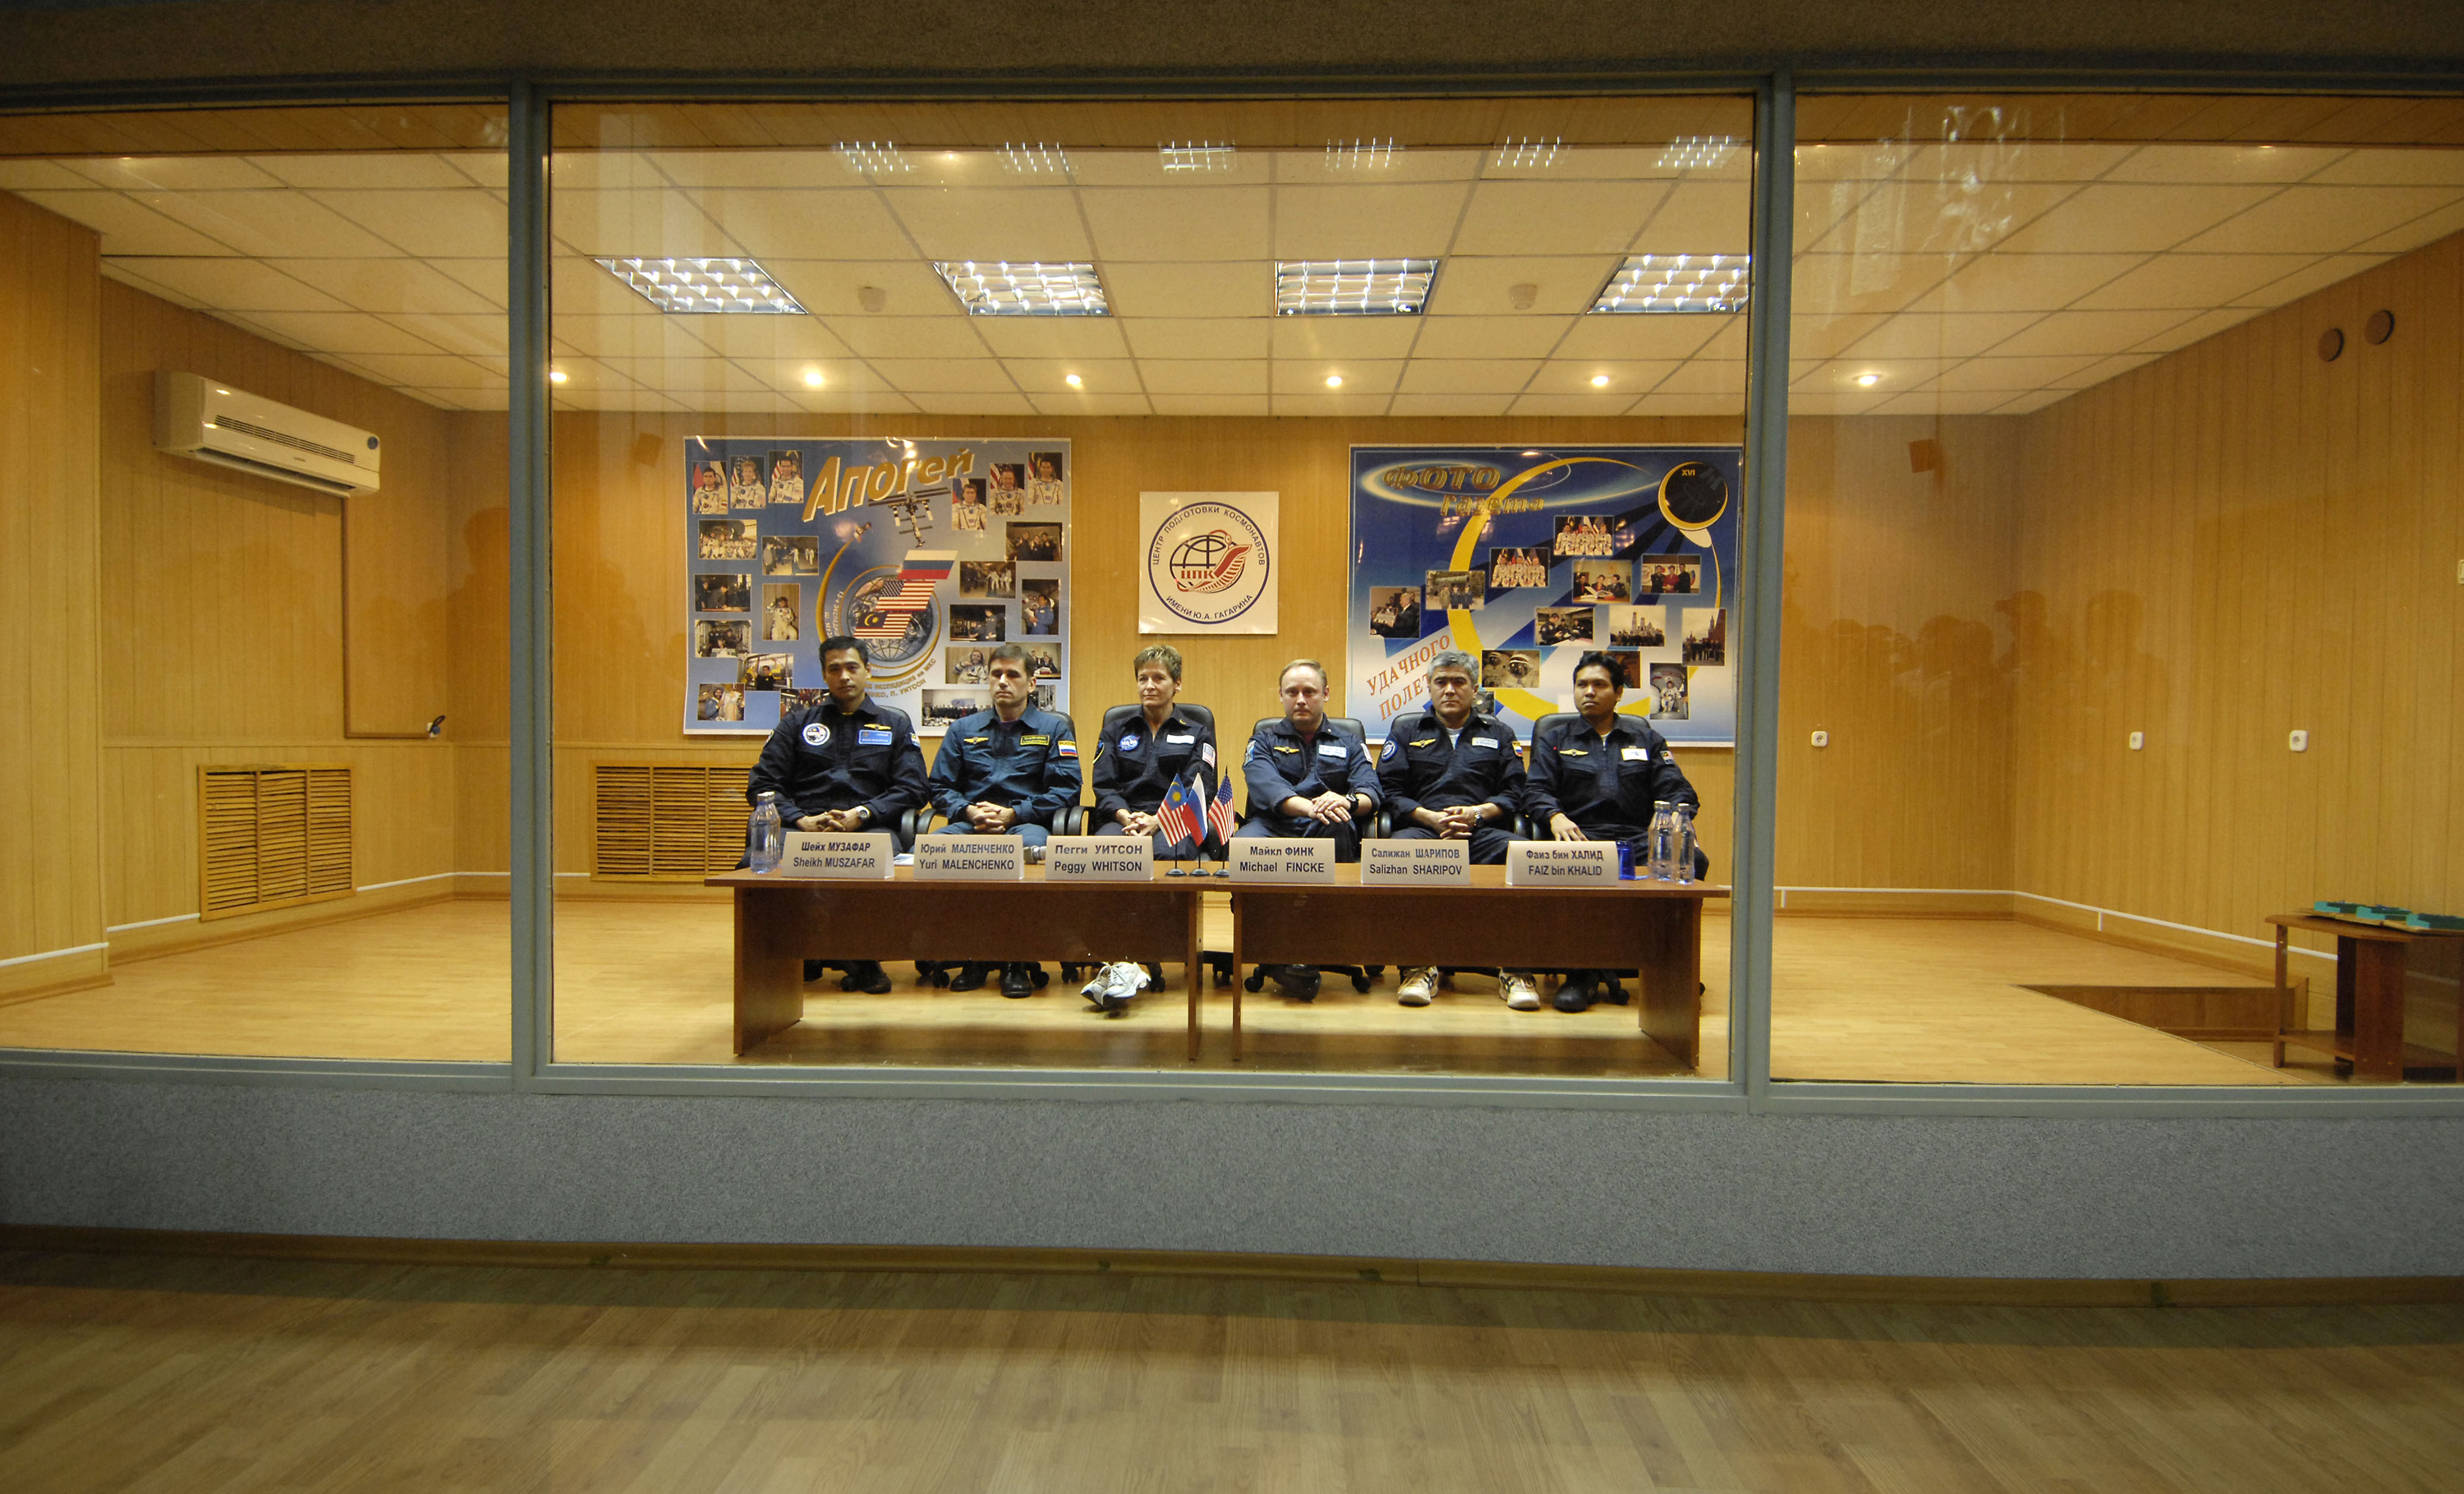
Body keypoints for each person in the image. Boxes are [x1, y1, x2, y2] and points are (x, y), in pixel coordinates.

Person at [1525, 650, 1709, 1013]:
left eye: (1599, 684)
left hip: (1636, 838)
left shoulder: (1645, 738)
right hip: (1579, 836)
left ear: (1619, 691)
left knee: (1693, 860)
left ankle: (1668, 963)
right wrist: (1554, 816)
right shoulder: (1555, 738)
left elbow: (1678, 788)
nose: (1589, 692)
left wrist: (1669, 817)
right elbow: (1534, 790)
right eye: (1582, 685)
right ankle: (1582, 972)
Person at [745, 635, 930, 995]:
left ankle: (862, 956)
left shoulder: (894, 724)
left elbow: (915, 788)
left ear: (868, 671)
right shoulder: (795, 724)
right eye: (835, 669)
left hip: (867, 827)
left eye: (852, 667)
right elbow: (762, 785)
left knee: (877, 857)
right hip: (803, 826)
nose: (844, 676)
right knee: (765, 859)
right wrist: (799, 819)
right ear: (825, 675)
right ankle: (788, 951)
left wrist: (862, 813)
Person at [1375, 650, 1540, 1011]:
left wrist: (1477, 814)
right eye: (1441, 682)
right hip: (1423, 830)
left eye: (1459, 682)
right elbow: (1389, 790)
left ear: (1475, 688)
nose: (1450, 690)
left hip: (1481, 832)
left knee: (1525, 857)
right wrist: (1431, 818)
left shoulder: (1500, 732)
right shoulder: (1406, 729)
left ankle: (1516, 970)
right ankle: (1417, 968)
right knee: (1395, 852)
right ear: (1429, 687)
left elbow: (1515, 792)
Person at [925, 643, 1083, 998]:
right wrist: (970, 811)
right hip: (972, 821)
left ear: (1032, 682)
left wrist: (1015, 813)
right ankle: (974, 955)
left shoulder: (1054, 728)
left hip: (1026, 822)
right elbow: (938, 786)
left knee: (1025, 850)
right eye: (996, 674)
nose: (1003, 682)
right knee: (937, 847)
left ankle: (1016, 958)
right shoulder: (962, 729)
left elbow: (1068, 789)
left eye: (1013, 675)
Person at [1236, 659, 1380, 1000]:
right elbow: (1264, 784)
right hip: (1274, 825)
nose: (1301, 699)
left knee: (1339, 825)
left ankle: (1307, 946)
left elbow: (1371, 790)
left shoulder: (1350, 742)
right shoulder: (1263, 739)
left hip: (1327, 828)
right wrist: (1313, 806)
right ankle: (1278, 946)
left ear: (1325, 694)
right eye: (1292, 692)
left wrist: (1346, 801)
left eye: (1309, 691)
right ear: (1281, 696)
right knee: (1243, 844)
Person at [1092, 644, 1216, 854]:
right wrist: (1127, 817)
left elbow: (1196, 788)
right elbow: (1105, 786)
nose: (1149, 686)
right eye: (1143, 679)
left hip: (1175, 818)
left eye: (1158, 678)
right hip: (1125, 817)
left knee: (1166, 856)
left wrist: (1158, 820)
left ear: (1177, 684)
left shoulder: (1198, 733)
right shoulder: (1115, 731)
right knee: (1106, 852)